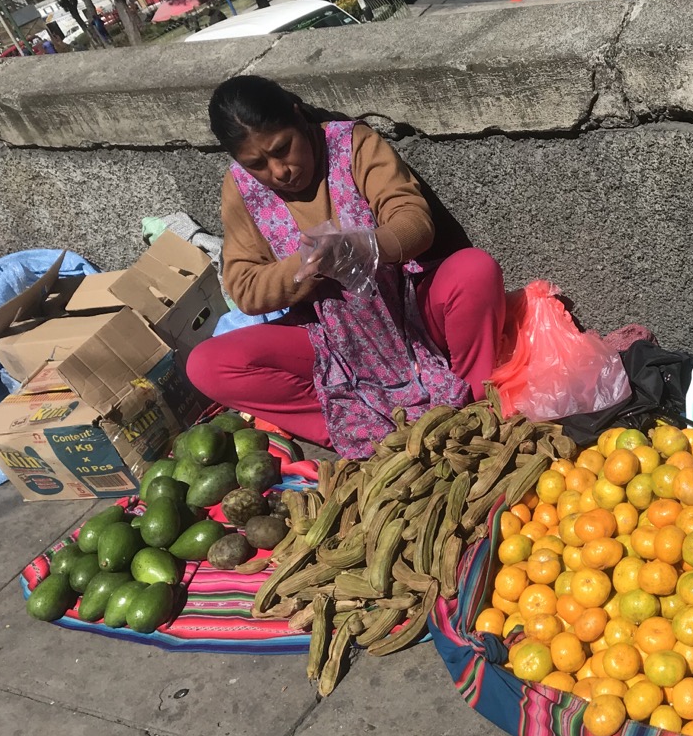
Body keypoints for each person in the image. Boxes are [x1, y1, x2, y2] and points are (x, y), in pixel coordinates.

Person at [186, 76, 506, 459]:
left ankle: (475, 404)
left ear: (298, 117)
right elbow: (246, 289)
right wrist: (309, 264)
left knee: (475, 271)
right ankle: (361, 433)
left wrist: (365, 245)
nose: (280, 171)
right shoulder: (241, 188)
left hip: (408, 312)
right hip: (328, 341)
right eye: (257, 164)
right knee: (207, 365)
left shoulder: (351, 144)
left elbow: (414, 221)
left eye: (282, 149)